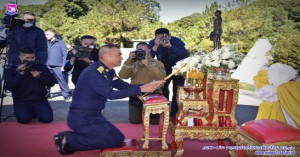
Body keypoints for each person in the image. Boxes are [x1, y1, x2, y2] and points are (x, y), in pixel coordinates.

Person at [54, 44, 165, 155]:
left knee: (119, 137)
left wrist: (149, 85)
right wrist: (142, 88)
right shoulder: (93, 73)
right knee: (113, 141)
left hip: (95, 116)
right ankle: (69, 139)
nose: (122, 57)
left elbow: (123, 86)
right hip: (82, 118)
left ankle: (73, 139)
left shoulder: (108, 71)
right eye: (119, 55)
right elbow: (111, 94)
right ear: (106, 56)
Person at [119, 42, 166, 124]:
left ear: (149, 51)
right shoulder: (132, 62)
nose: (142, 52)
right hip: (136, 94)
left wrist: (148, 65)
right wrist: (129, 61)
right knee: (135, 121)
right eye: (139, 50)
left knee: (153, 122)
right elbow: (123, 76)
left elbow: (161, 77)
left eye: (144, 50)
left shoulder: (157, 63)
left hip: (153, 94)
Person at [5, 48, 56, 124]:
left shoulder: (41, 67)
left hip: (40, 100)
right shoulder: (12, 69)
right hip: (21, 100)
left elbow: (52, 82)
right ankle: (28, 111)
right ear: (20, 57)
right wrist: (19, 75)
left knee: (47, 119)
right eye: (27, 58)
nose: (30, 60)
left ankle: (35, 111)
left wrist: (40, 77)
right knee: (23, 120)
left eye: (32, 57)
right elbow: (10, 87)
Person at [149, 28, 188, 117]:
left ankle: (174, 113)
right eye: (159, 38)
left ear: (169, 36)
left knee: (177, 91)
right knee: (162, 89)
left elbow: (184, 54)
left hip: (178, 69)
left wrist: (170, 46)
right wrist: (155, 46)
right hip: (163, 68)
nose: (162, 40)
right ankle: (163, 111)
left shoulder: (176, 41)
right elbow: (149, 57)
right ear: (155, 37)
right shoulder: (153, 42)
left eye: (164, 37)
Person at [45, 28, 71, 101]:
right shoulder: (45, 43)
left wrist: (63, 66)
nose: (45, 35)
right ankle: (47, 94)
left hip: (58, 66)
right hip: (47, 65)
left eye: (47, 34)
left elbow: (64, 55)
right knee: (46, 81)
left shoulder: (60, 43)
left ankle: (66, 94)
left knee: (62, 81)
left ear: (53, 34)